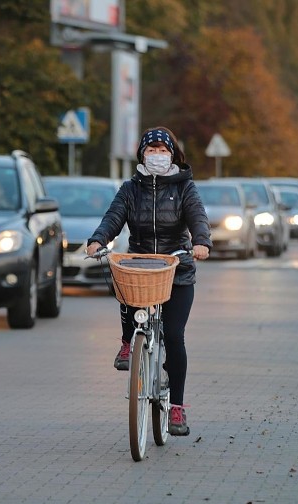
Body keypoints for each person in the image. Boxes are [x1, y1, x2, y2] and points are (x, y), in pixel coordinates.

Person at [85, 126, 212, 436]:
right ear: (142, 154)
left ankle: (177, 408)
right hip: (140, 264)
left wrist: (201, 242)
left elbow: (197, 216)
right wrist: (98, 240)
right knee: (121, 280)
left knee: (174, 336)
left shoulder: (185, 188)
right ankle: (129, 342)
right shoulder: (131, 189)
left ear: (173, 155)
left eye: (162, 150)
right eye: (151, 150)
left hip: (176, 269)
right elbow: (113, 217)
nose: (157, 155)